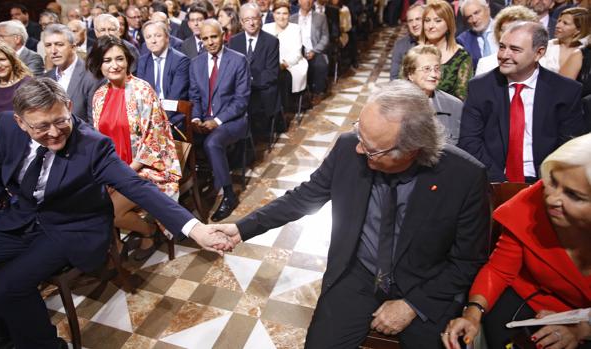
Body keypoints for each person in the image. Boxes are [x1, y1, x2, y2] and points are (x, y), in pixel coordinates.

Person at [213, 79, 491, 348]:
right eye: (359, 133)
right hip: (358, 275)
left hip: (425, 285)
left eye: (370, 149)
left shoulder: (465, 177)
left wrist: (412, 305)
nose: (359, 148)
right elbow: (304, 197)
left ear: (410, 151)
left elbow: (467, 260)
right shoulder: (349, 148)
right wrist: (241, 229)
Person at [0, 77, 231, 349]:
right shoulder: (4, 127)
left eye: (61, 120)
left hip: (69, 227)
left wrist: (195, 228)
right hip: (21, 217)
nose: (54, 132)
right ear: (20, 123)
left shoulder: (93, 145)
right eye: (41, 126)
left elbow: (136, 186)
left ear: (69, 106)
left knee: (5, 287)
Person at [442, 133, 591, 349]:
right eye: (553, 182)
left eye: (573, 195)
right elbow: (499, 270)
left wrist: (582, 330)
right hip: (528, 303)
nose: (551, 199)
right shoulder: (531, 202)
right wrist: (473, 312)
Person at [87, 35, 181, 261]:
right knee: (89, 200)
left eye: (119, 59)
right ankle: (116, 245)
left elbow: (155, 139)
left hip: (148, 166)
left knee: (110, 211)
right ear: (100, 64)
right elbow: (98, 139)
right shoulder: (98, 96)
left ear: (128, 61)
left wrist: (126, 171)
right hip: (114, 166)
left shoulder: (142, 90)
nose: (114, 65)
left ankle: (149, 232)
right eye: (107, 60)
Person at [458, 21, 587, 183]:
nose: (504, 55)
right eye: (502, 47)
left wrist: (546, 182)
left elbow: (569, 146)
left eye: (515, 49)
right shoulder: (480, 87)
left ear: (538, 53)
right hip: (494, 180)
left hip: (545, 181)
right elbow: (470, 142)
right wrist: (500, 183)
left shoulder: (565, 91)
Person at [189, 19, 250, 222]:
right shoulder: (196, 63)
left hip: (232, 121)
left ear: (223, 35)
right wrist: (196, 118)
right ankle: (189, 192)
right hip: (204, 120)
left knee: (212, 142)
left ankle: (228, 195)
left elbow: (241, 101)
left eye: (213, 36)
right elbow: (194, 96)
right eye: (205, 38)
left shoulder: (238, 60)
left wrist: (217, 121)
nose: (210, 42)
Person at [229, 3, 280, 137]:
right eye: (247, 20)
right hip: (239, 90)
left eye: (254, 19)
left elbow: (271, 73)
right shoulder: (234, 41)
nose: (251, 23)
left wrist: (247, 83)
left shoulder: (271, 41)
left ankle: (250, 137)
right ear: (241, 22)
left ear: (260, 19)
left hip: (260, 89)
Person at [402, 45, 463, 145]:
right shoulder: (395, 105)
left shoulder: (455, 105)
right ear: (411, 74)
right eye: (426, 69)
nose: (434, 75)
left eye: (437, 69)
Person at [43, 24, 102, 124]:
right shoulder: (46, 78)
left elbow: (95, 124)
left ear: (73, 47)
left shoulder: (93, 77)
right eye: (48, 45)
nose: (53, 51)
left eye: (59, 44)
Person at [136, 20, 190, 127]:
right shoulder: (143, 61)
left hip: (174, 114)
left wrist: (157, 120)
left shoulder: (180, 61)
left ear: (167, 38)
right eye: (148, 37)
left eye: (158, 36)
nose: (153, 41)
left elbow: (175, 96)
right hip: (148, 115)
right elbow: (141, 94)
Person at [420, 0, 473, 100]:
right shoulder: (414, 54)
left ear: (448, 24)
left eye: (437, 21)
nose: (431, 26)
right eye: (427, 20)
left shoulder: (462, 57)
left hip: (448, 113)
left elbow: (462, 99)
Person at [263, 0, 308, 110]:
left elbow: (297, 54)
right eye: (278, 13)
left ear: (289, 15)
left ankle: (282, 111)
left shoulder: (295, 28)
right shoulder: (266, 28)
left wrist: (282, 65)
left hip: (292, 65)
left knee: (282, 77)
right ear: (273, 14)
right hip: (271, 65)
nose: (281, 17)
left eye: (285, 13)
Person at [475, 5, 539, 75]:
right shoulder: (486, 65)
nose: (507, 35)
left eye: (513, 29)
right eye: (503, 30)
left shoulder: (544, 61)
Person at [291, 0, 329, 105]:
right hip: (297, 53)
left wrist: (314, 50)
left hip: (315, 50)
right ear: (298, 1)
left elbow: (325, 37)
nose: (307, 2)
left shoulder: (321, 17)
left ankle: (317, 92)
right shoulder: (292, 19)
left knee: (320, 65)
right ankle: (298, 96)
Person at [541, 7, 589, 72]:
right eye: (559, 21)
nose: (557, 25)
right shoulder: (547, 46)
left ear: (578, 30)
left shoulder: (585, 53)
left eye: (565, 23)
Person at [456, 0, 498, 70]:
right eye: (469, 17)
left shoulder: (505, 29)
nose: (474, 20)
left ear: (487, 8)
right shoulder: (463, 41)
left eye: (476, 13)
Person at [390, 3, 423, 80]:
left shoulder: (435, 42)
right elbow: (394, 77)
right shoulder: (400, 45)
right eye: (410, 21)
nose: (414, 24)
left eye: (418, 19)